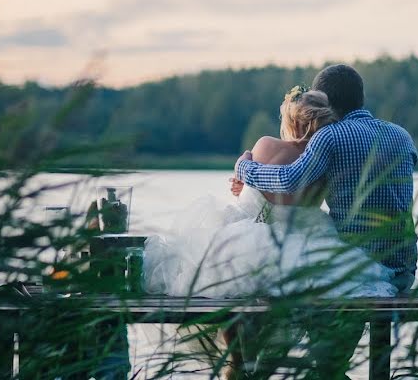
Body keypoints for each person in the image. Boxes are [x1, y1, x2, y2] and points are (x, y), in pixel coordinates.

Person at [234, 64, 418, 377]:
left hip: (358, 273)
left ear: (325, 103)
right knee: (325, 364)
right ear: (360, 97)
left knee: (308, 351)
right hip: (403, 271)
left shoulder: (330, 136)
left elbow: (290, 180)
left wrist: (245, 168)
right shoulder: (402, 136)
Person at [143, 86, 398, 299]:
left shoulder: (266, 145)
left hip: (250, 237)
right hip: (309, 241)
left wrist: (243, 168)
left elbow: (278, 182)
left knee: (211, 271)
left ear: (293, 120)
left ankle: (240, 358)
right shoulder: (324, 161)